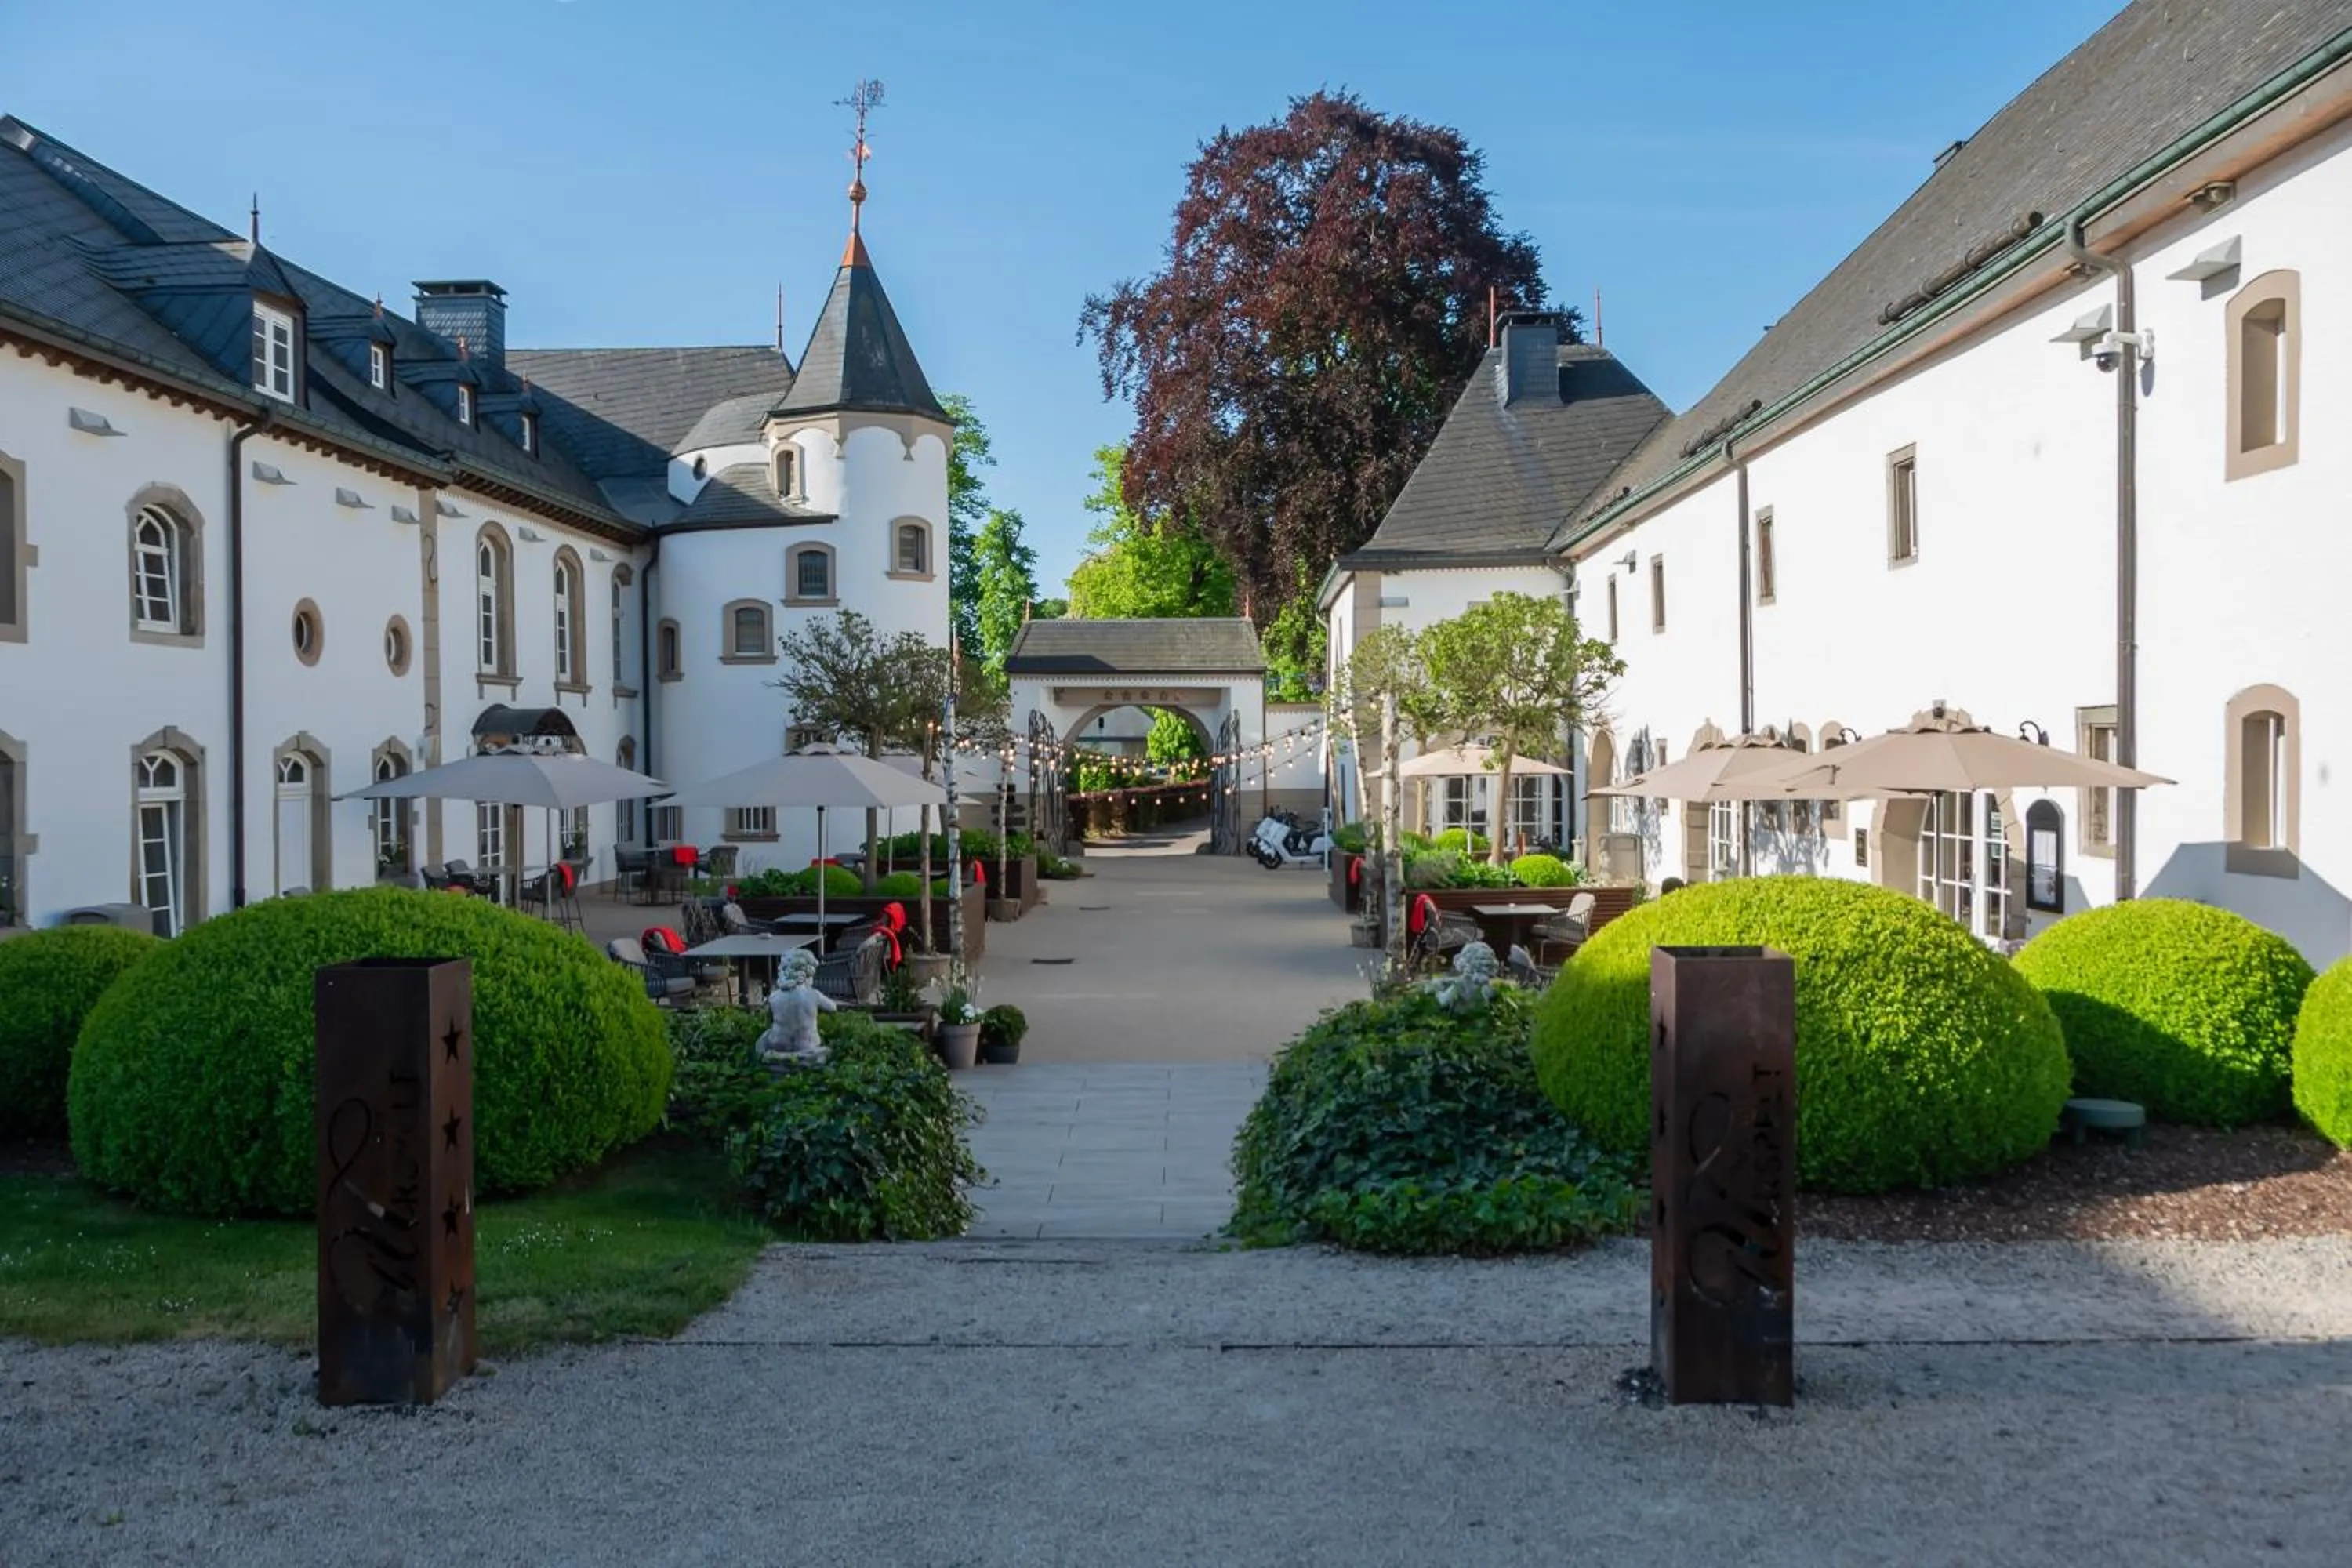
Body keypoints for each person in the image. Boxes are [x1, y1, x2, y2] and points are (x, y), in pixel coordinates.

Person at [757, 947, 833, 1065]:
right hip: (808, 1045)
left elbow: (768, 1019)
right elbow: (833, 1008)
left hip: (778, 1044)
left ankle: (775, 1057)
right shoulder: (814, 995)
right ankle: (807, 1056)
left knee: (765, 1037)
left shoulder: (774, 997)